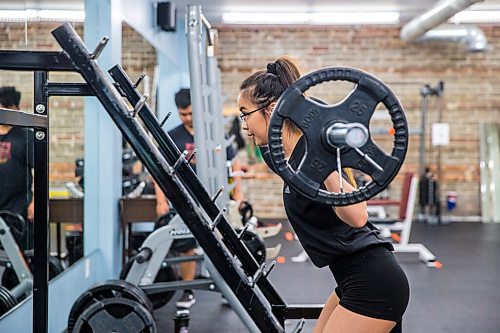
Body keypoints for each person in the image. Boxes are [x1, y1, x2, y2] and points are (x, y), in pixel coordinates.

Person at [237, 57, 409, 333]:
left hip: (374, 282)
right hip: (351, 280)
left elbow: (357, 216)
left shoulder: (313, 154)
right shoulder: (282, 158)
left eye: (245, 113)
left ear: (270, 109)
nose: (243, 124)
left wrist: (324, 157)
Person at [154, 88, 244, 309]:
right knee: (186, 245)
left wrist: (238, 194)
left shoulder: (215, 135)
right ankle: (187, 291)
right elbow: (158, 172)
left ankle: (228, 290)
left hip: (216, 199)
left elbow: (233, 167)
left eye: (191, 113)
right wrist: (161, 201)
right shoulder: (172, 137)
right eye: (183, 114)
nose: (188, 118)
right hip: (184, 200)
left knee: (225, 245)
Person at [0, 86, 34, 251]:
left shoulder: (26, 136)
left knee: (20, 259)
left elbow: (42, 170)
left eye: (11, 109)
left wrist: (37, 201)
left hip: (18, 209)